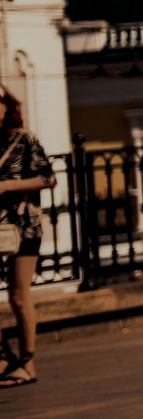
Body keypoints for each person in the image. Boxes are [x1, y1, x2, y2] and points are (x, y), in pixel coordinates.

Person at [0, 87, 52, 389]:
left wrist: (7, 187)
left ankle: (27, 364)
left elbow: (48, 178)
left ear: (8, 106)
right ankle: (5, 358)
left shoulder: (24, 139)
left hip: (23, 227)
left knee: (19, 296)